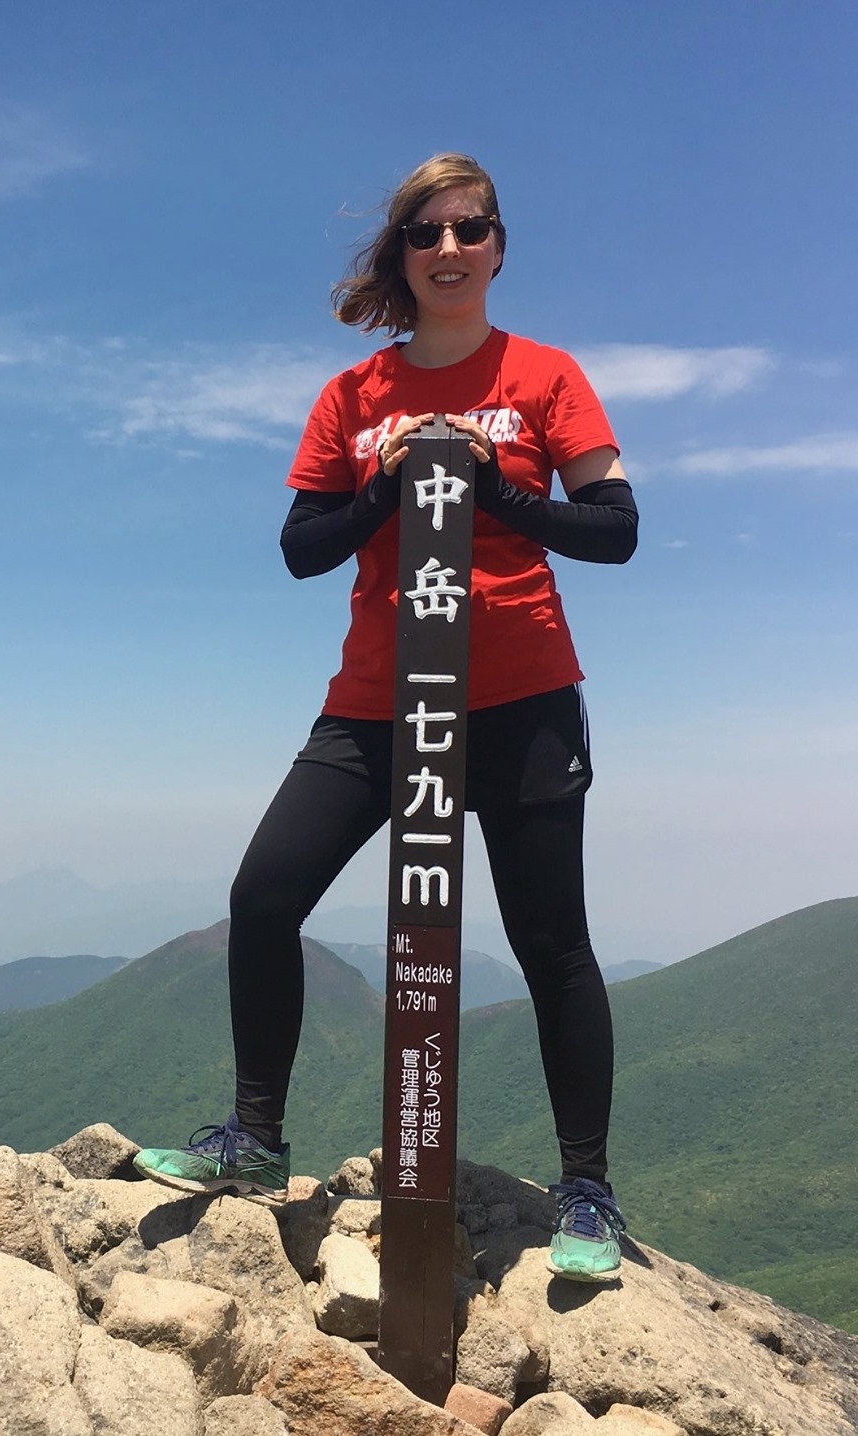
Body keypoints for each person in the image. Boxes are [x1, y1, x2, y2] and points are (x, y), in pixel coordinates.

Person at [133, 153, 639, 1282]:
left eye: (470, 227)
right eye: (426, 232)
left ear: (499, 246)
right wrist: (388, 485)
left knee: (550, 942)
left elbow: (613, 527)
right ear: (400, 257)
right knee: (262, 896)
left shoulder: (546, 377)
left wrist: (492, 485)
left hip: (521, 698)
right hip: (376, 700)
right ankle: (255, 1139)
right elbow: (301, 550)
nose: (448, 248)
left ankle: (588, 1193)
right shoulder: (353, 397)